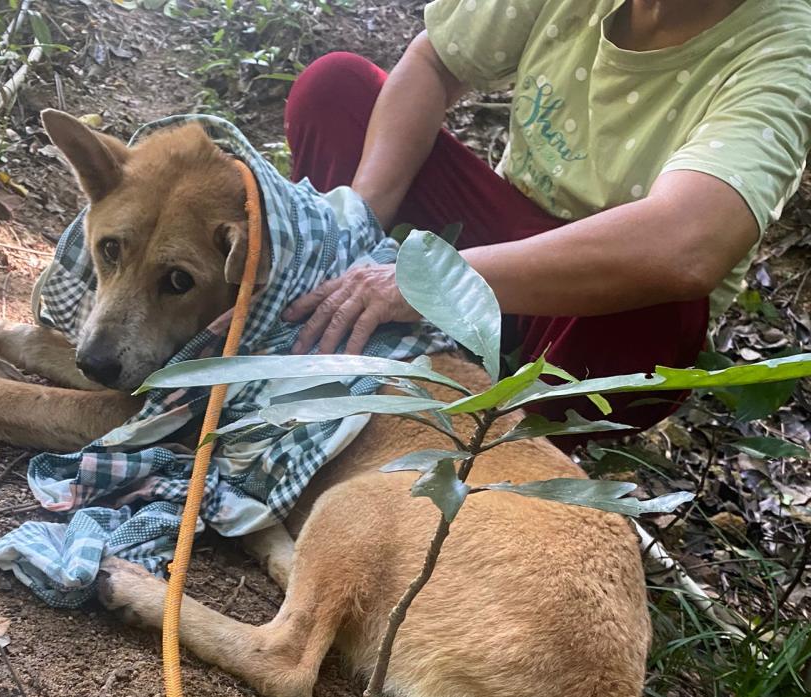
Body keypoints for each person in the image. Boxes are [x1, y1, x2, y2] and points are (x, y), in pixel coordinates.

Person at [282, 0, 811, 429]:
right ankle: (335, 295)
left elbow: (690, 242)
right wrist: (357, 222)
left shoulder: (786, 47)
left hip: (590, 318)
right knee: (340, 89)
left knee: (662, 306)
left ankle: (506, 443)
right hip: (501, 239)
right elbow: (435, 62)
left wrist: (426, 281)